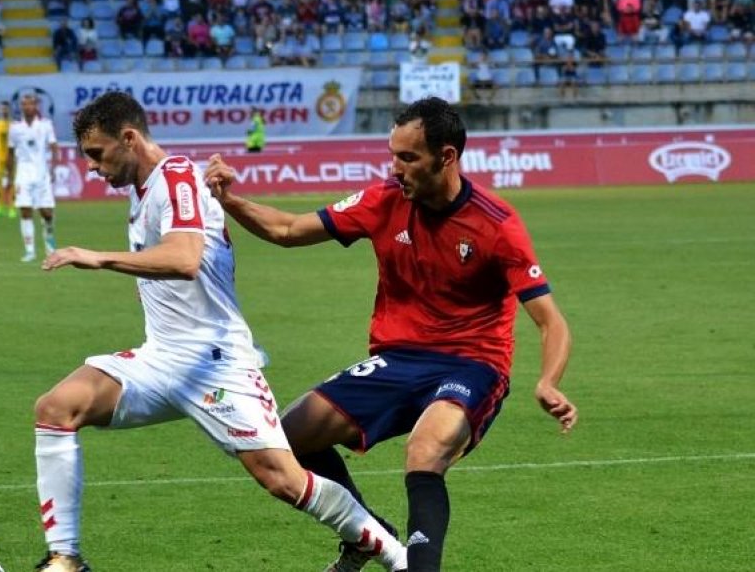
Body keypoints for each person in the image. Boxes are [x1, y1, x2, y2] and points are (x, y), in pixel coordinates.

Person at [32, 91, 407, 572]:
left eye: (97, 154)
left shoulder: (177, 180)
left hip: (214, 362)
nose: (92, 167)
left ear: (129, 139)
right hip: (162, 357)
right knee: (57, 408)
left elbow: (185, 259)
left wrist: (100, 257)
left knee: (284, 480)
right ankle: (66, 559)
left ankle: (397, 557)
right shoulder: (144, 188)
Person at [204, 96, 577, 572]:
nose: (394, 169)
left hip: (472, 363)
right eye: (392, 155)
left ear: (446, 157)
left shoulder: (496, 225)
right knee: (286, 437)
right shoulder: (383, 201)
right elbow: (288, 229)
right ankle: (367, 534)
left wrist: (548, 382)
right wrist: (229, 200)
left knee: (424, 452)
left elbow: (551, 319)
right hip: (398, 359)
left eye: (407, 157)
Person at [7, 94, 58, 262]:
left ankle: (50, 247)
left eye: (30, 104)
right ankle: (30, 251)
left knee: (46, 212)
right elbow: (10, 152)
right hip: (23, 173)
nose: (27, 107)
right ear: (21, 107)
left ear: (36, 106)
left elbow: (54, 146)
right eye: (24, 104)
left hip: (42, 173)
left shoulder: (45, 125)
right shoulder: (15, 128)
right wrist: (10, 177)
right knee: (25, 210)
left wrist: (53, 168)